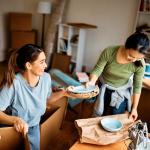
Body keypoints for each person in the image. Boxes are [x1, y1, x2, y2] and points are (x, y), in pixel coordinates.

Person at [0, 44, 68, 150]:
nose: (46, 65)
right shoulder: (13, 83)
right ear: (28, 65)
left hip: (33, 128)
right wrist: (15, 120)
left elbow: (46, 99)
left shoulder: (46, 78)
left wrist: (65, 93)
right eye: (41, 62)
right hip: (12, 129)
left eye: (45, 61)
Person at [86, 32, 149, 121]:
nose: (134, 60)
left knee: (116, 118)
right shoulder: (110, 51)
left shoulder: (140, 64)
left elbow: (137, 86)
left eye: (138, 58)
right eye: (131, 56)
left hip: (121, 92)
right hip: (104, 86)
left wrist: (134, 109)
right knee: (98, 117)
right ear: (126, 46)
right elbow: (97, 69)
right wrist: (92, 82)